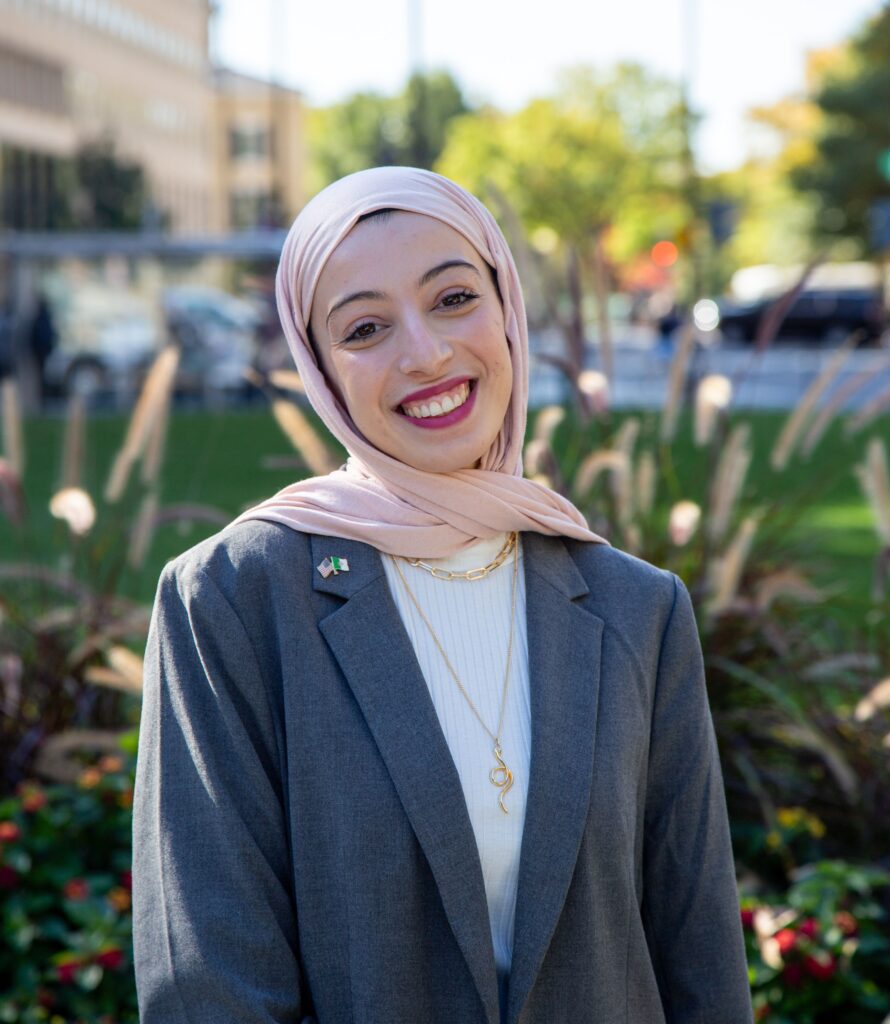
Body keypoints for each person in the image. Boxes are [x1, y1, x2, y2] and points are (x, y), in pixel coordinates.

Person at [132, 167, 753, 1024]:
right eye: (365, 327)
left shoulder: (636, 609)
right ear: (319, 368)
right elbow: (208, 982)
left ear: (507, 307)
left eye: (454, 298)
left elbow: (701, 966)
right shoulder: (233, 601)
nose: (423, 353)